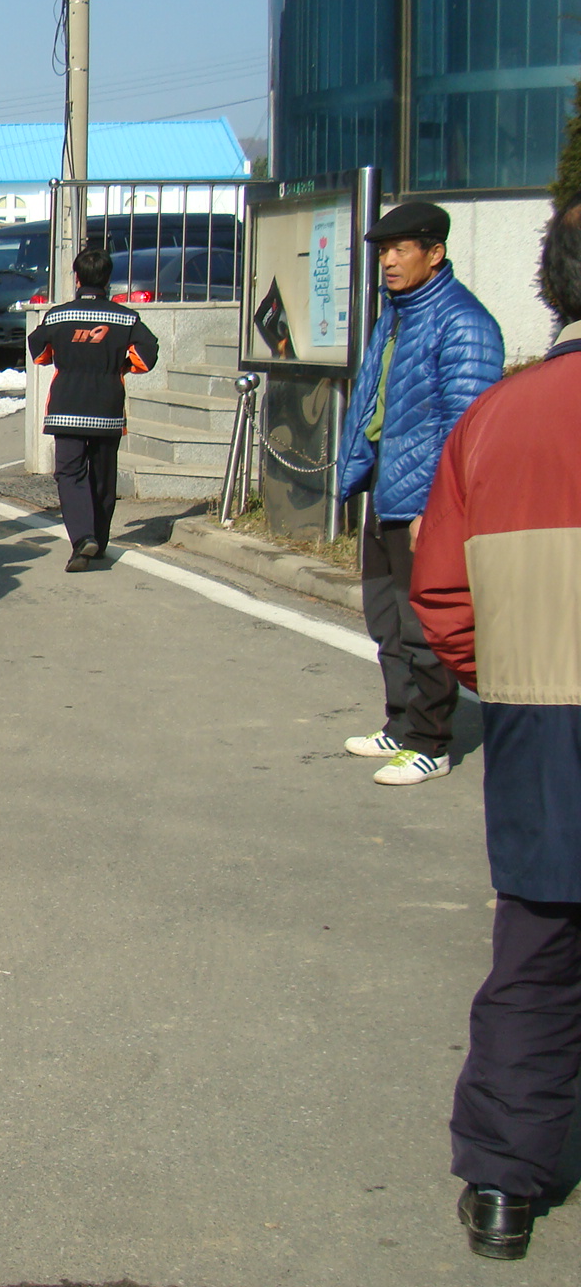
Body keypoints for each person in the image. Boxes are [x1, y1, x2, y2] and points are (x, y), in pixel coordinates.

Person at [409, 203, 581, 1262]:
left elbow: (440, 593)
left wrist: (506, 675)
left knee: (537, 947)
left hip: (539, 712)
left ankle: (503, 1187)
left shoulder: (497, 419)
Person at [337, 200, 504, 786]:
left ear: (435, 254)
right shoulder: (396, 314)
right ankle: (401, 722)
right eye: (384, 250)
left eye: (400, 249)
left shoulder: (463, 323)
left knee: (425, 625)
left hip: (424, 499)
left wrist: (437, 507)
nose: (388, 261)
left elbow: (466, 427)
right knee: (386, 618)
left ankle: (431, 741)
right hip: (388, 487)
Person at [27, 245, 160, 571]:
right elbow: (147, 355)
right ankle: (98, 540)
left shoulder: (58, 315)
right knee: (103, 475)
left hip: (67, 406)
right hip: (107, 406)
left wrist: (63, 354)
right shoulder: (125, 317)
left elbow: (39, 352)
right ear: (108, 280)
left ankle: (83, 537)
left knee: (70, 472)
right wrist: (123, 365)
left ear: (77, 278)